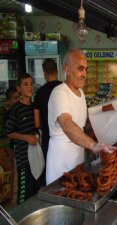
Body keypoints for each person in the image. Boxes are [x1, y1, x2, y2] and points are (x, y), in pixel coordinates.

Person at [46, 48, 114, 184]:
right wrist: (94, 145)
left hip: (78, 161)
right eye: (80, 69)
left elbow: (81, 127)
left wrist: (107, 119)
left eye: (86, 70)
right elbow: (67, 124)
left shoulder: (81, 94)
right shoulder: (59, 93)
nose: (85, 74)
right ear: (67, 69)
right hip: (61, 164)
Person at [6, 73, 40, 205]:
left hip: (36, 159)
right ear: (19, 89)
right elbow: (10, 133)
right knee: (24, 195)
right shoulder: (16, 109)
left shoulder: (34, 107)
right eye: (25, 84)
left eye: (31, 84)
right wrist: (26, 137)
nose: (30, 87)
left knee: (35, 194)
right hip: (24, 160)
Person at [33, 58, 62, 186]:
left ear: (44, 73)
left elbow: (37, 123)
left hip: (48, 139)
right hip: (67, 139)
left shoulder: (39, 93)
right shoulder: (64, 88)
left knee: (51, 173)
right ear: (57, 71)